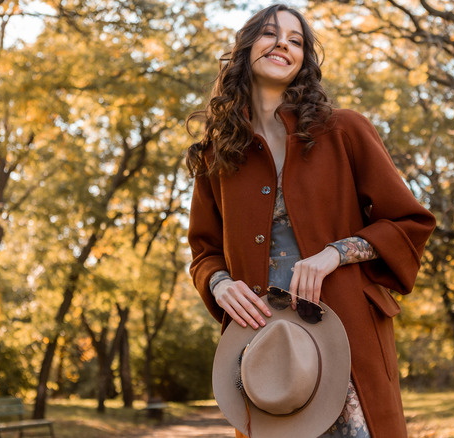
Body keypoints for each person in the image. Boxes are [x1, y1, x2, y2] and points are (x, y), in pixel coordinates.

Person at [185, 4, 435, 437]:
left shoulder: (345, 130)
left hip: (348, 337)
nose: (283, 43)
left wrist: (334, 255)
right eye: (269, 34)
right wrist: (220, 283)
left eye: (296, 40)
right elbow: (203, 252)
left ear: (303, 60)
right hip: (264, 351)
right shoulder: (216, 155)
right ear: (246, 50)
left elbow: (410, 222)